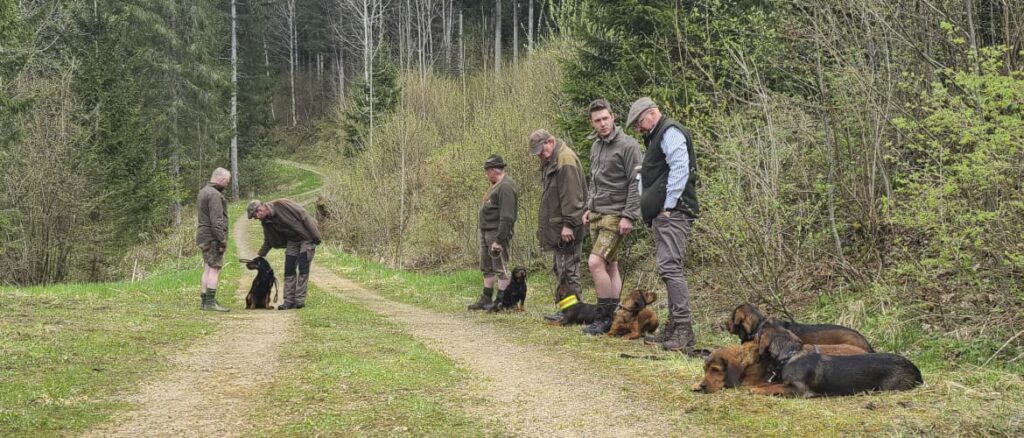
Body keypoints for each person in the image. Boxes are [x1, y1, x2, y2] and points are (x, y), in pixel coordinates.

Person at [625, 97, 702, 355]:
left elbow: (681, 167)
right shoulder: (657, 135)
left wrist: (668, 205)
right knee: (668, 268)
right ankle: (673, 327)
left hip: (674, 212)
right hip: (664, 214)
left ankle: (682, 329)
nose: (638, 128)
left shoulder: (669, 132)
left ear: (651, 113)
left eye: (638, 122)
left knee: (671, 266)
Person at [581, 99, 643, 335]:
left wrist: (629, 215)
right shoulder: (595, 146)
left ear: (613, 117)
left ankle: (603, 317)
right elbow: (594, 180)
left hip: (616, 215)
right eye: (598, 120)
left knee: (595, 263)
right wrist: (588, 207)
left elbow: (636, 183)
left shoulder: (628, 146)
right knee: (610, 265)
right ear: (592, 123)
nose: (603, 123)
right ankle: (616, 315)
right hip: (597, 213)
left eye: (606, 118)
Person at [528, 129, 588, 322]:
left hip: (568, 228)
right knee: (561, 268)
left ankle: (574, 312)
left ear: (551, 141)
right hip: (558, 228)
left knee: (569, 270)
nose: (539, 155)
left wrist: (569, 224)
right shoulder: (552, 161)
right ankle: (567, 310)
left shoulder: (565, 159)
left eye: (541, 150)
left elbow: (572, 196)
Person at [247, 198, 322, 310]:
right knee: (289, 270)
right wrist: (260, 255)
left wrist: (316, 237)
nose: (256, 218)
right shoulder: (266, 222)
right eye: (254, 217)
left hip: (306, 238)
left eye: (256, 214)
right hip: (292, 241)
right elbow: (268, 240)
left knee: (303, 268)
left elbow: (304, 216)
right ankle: (288, 301)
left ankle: (299, 300)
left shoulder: (282, 204)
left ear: (261, 207)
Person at [468, 155, 520, 310]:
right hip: (486, 232)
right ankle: (486, 298)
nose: (486, 175)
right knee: (486, 266)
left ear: (493, 170)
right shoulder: (495, 185)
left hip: (497, 233)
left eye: (487, 171)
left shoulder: (506, 186)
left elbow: (507, 216)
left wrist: (499, 239)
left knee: (501, 268)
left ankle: (502, 301)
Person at [196, 167, 231, 312]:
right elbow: (217, 220)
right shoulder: (215, 195)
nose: (227, 184)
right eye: (227, 181)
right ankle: (210, 303)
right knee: (214, 269)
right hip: (212, 237)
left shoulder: (204, 191)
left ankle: (205, 300)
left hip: (203, 235)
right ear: (221, 179)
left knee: (207, 268)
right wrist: (222, 240)